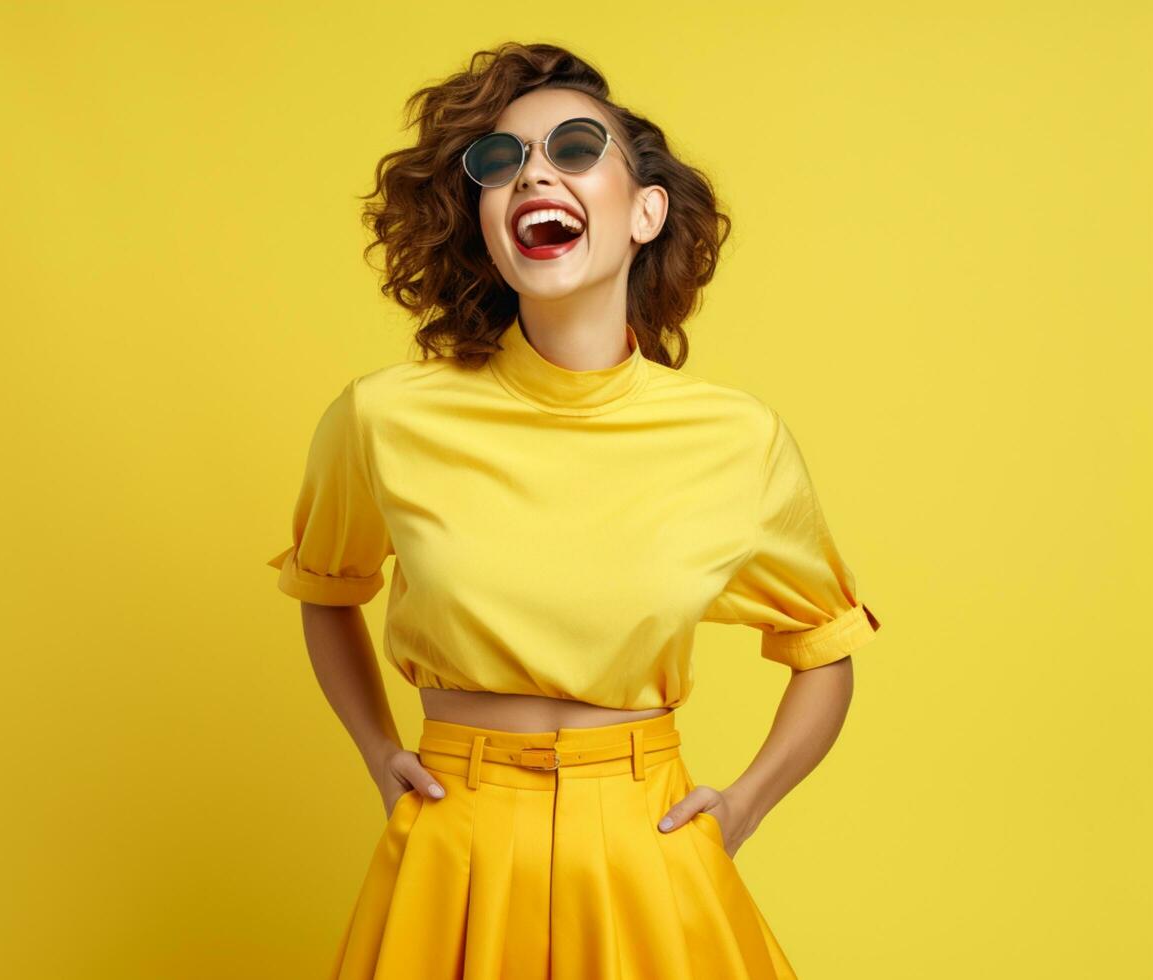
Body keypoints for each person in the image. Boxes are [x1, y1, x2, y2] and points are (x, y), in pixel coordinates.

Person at [267, 41, 881, 980]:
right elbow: (326, 584)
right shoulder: (384, 417)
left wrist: (747, 803)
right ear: (479, 221)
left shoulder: (734, 439)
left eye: (575, 148)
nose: (532, 176)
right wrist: (375, 747)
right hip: (453, 840)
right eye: (500, 162)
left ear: (645, 212)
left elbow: (824, 646)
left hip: (646, 843)